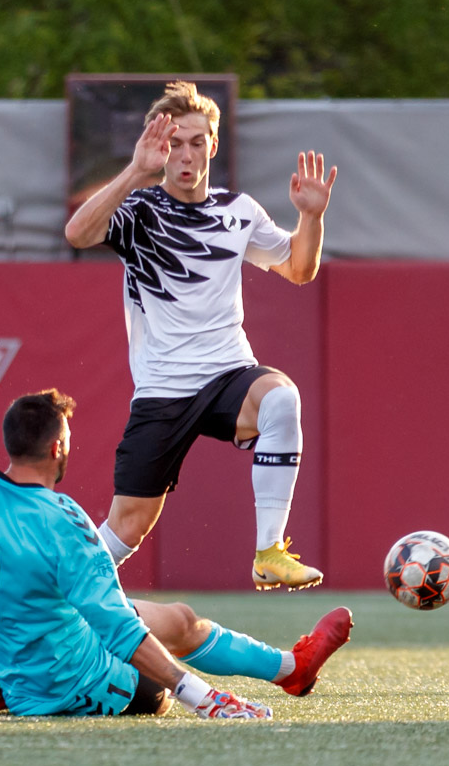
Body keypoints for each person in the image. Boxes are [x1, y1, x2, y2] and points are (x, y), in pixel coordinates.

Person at [0, 391, 348, 718]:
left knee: (179, 619)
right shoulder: (63, 520)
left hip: (32, 658)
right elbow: (119, 631)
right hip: (80, 687)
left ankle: (292, 669)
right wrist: (203, 696)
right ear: (58, 447)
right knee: (156, 694)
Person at [64, 81, 337, 591]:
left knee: (281, 399)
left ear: (213, 146)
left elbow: (300, 269)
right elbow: (78, 234)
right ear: (159, 149)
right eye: (174, 144)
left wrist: (310, 218)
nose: (185, 155)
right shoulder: (140, 211)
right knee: (128, 526)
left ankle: (269, 552)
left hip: (228, 372)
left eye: (195, 142)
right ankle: (59, 598)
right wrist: (135, 171)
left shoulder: (240, 211)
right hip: (163, 389)